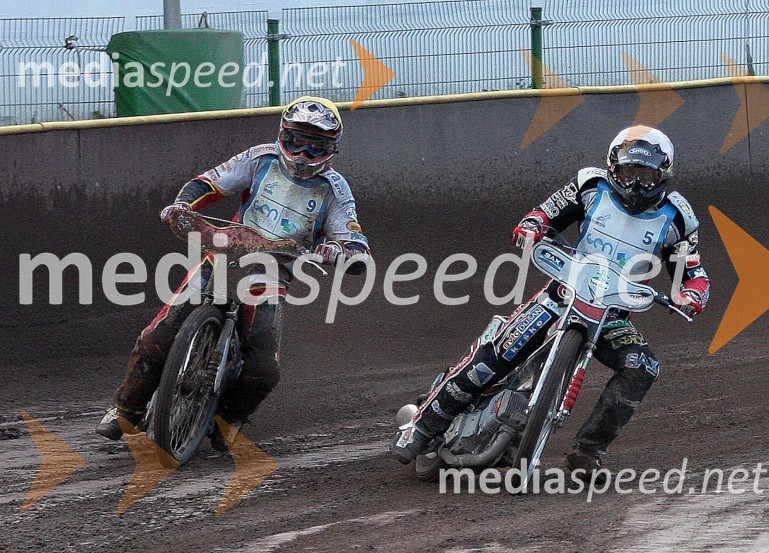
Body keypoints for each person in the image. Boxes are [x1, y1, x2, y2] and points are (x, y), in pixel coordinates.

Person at [390, 125, 709, 478]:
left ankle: (588, 453)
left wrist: (692, 293)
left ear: (663, 174)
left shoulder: (679, 217)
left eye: (645, 175)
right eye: (628, 172)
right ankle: (422, 425)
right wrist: (532, 225)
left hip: (613, 316)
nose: (635, 184)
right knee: (497, 354)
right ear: (612, 168)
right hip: (562, 294)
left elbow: (693, 272)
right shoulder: (589, 185)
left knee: (642, 366)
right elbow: (544, 213)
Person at [96, 96, 370, 449]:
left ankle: (229, 418)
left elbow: (352, 236)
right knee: (160, 333)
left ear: (332, 150)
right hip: (225, 255)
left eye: (315, 147)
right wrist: (183, 206)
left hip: (273, 272)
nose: (302, 154)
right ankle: (125, 409)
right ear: (281, 136)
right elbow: (209, 183)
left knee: (263, 367)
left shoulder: (335, 190)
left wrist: (343, 252)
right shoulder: (259, 159)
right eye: (295, 142)